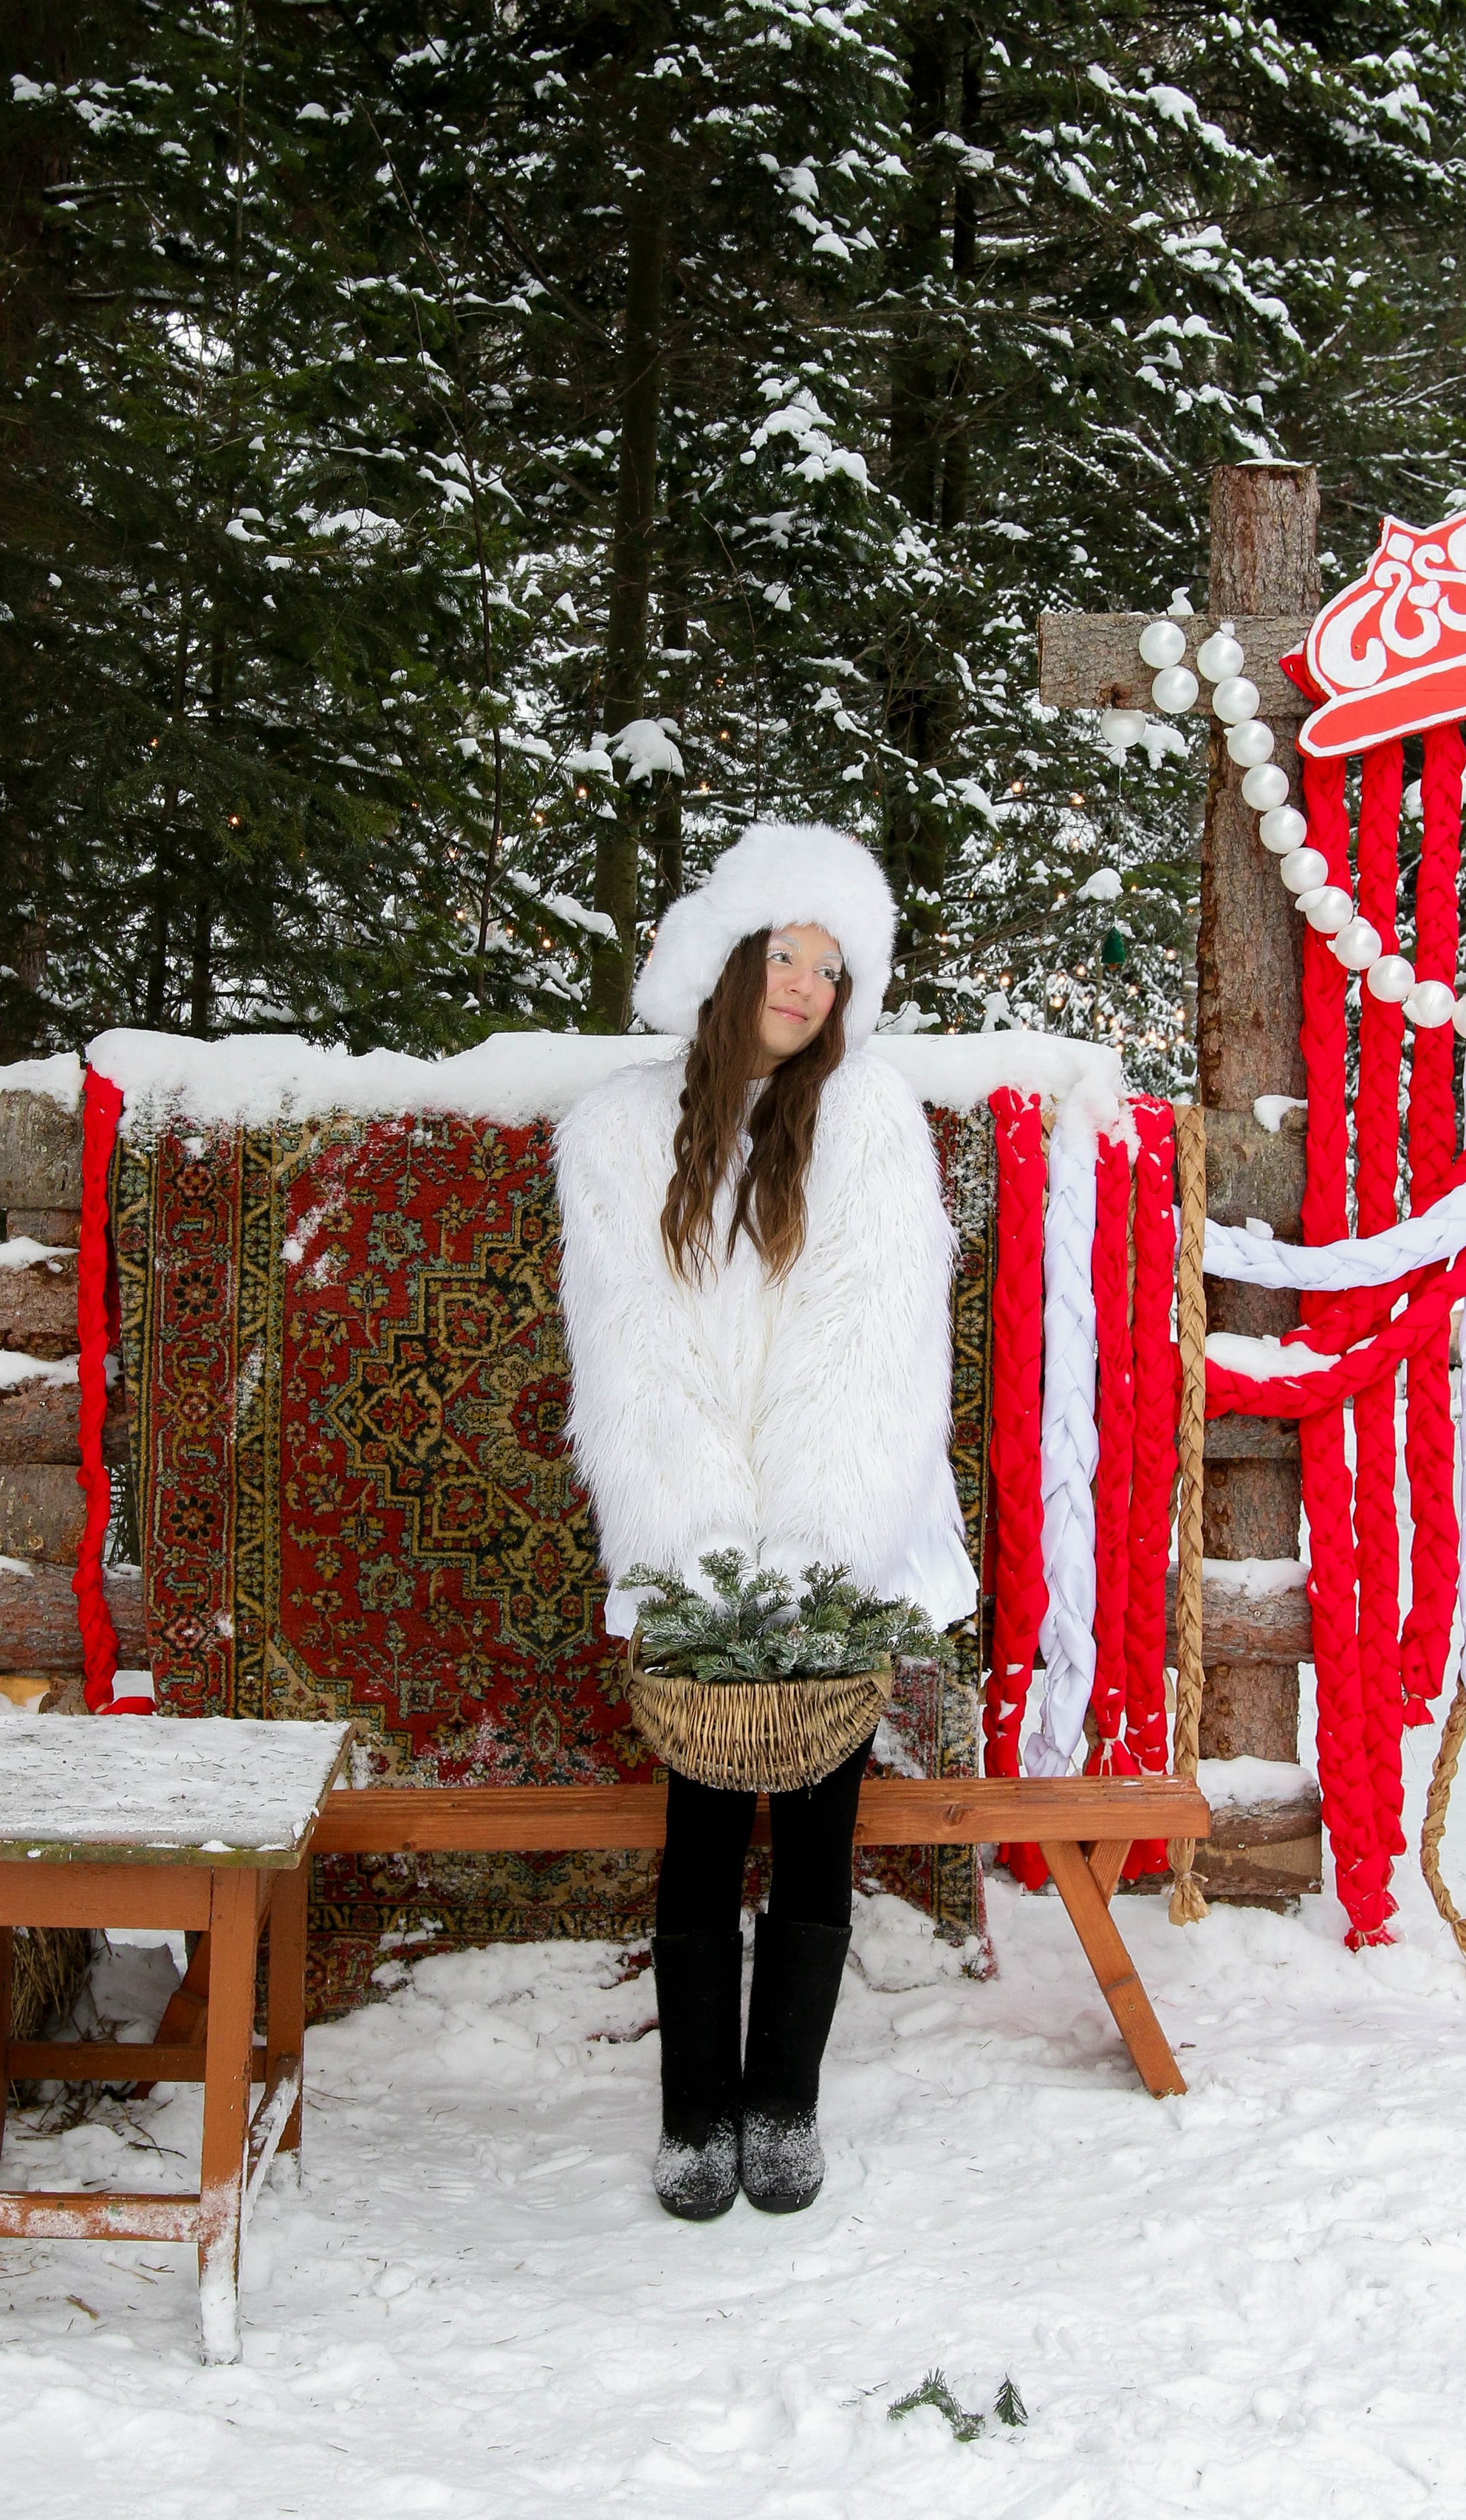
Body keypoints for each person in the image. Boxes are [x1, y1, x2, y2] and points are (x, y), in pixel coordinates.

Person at [554, 821, 976, 2220]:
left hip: (833, 1536)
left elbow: (873, 1346)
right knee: (696, 1825)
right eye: (783, 956)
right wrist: (701, 1558)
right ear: (731, 961)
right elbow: (635, 1351)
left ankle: (784, 2101)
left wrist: (811, 1554)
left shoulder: (867, 1120)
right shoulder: (623, 1131)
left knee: (813, 1819)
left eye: (828, 967)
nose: (802, 986)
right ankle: (695, 2114)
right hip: (704, 1548)